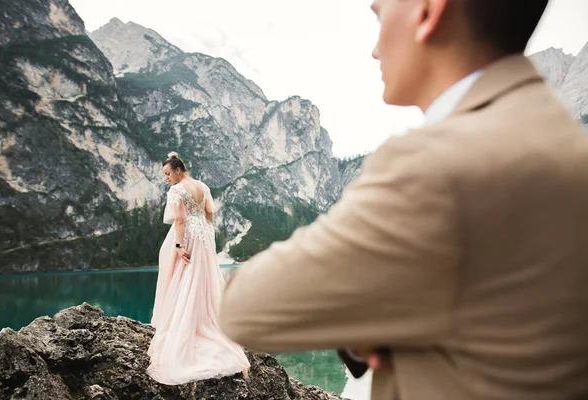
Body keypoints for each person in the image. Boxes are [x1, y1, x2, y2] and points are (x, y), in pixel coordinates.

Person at [217, 0, 588, 399]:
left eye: (379, 14)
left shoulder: (434, 166)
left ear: (429, 11)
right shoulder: (569, 146)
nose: (374, 49)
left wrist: (362, 318)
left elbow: (242, 307)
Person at [146, 152, 250, 385]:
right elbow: (210, 211)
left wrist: (178, 245)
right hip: (203, 234)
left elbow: (180, 220)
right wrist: (207, 230)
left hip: (188, 235)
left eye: (167, 173)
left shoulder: (177, 190)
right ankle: (206, 320)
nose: (166, 178)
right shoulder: (202, 185)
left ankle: (186, 326)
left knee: (182, 275)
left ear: (178, 170)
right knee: (202, 276)